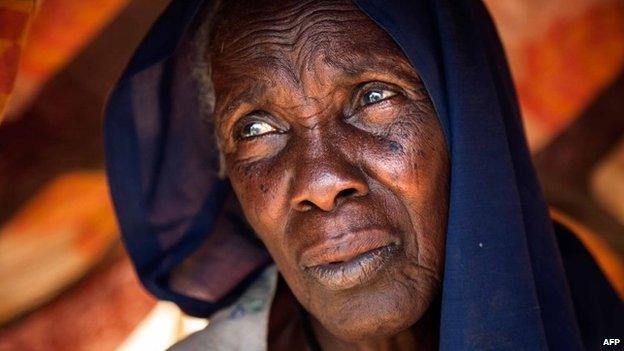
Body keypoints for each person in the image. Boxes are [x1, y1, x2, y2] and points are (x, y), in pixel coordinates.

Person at [104, 0, 624, 350]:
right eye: (256, 128)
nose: (321, 183)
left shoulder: (591, 320)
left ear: (468, 125)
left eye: (374, 97)